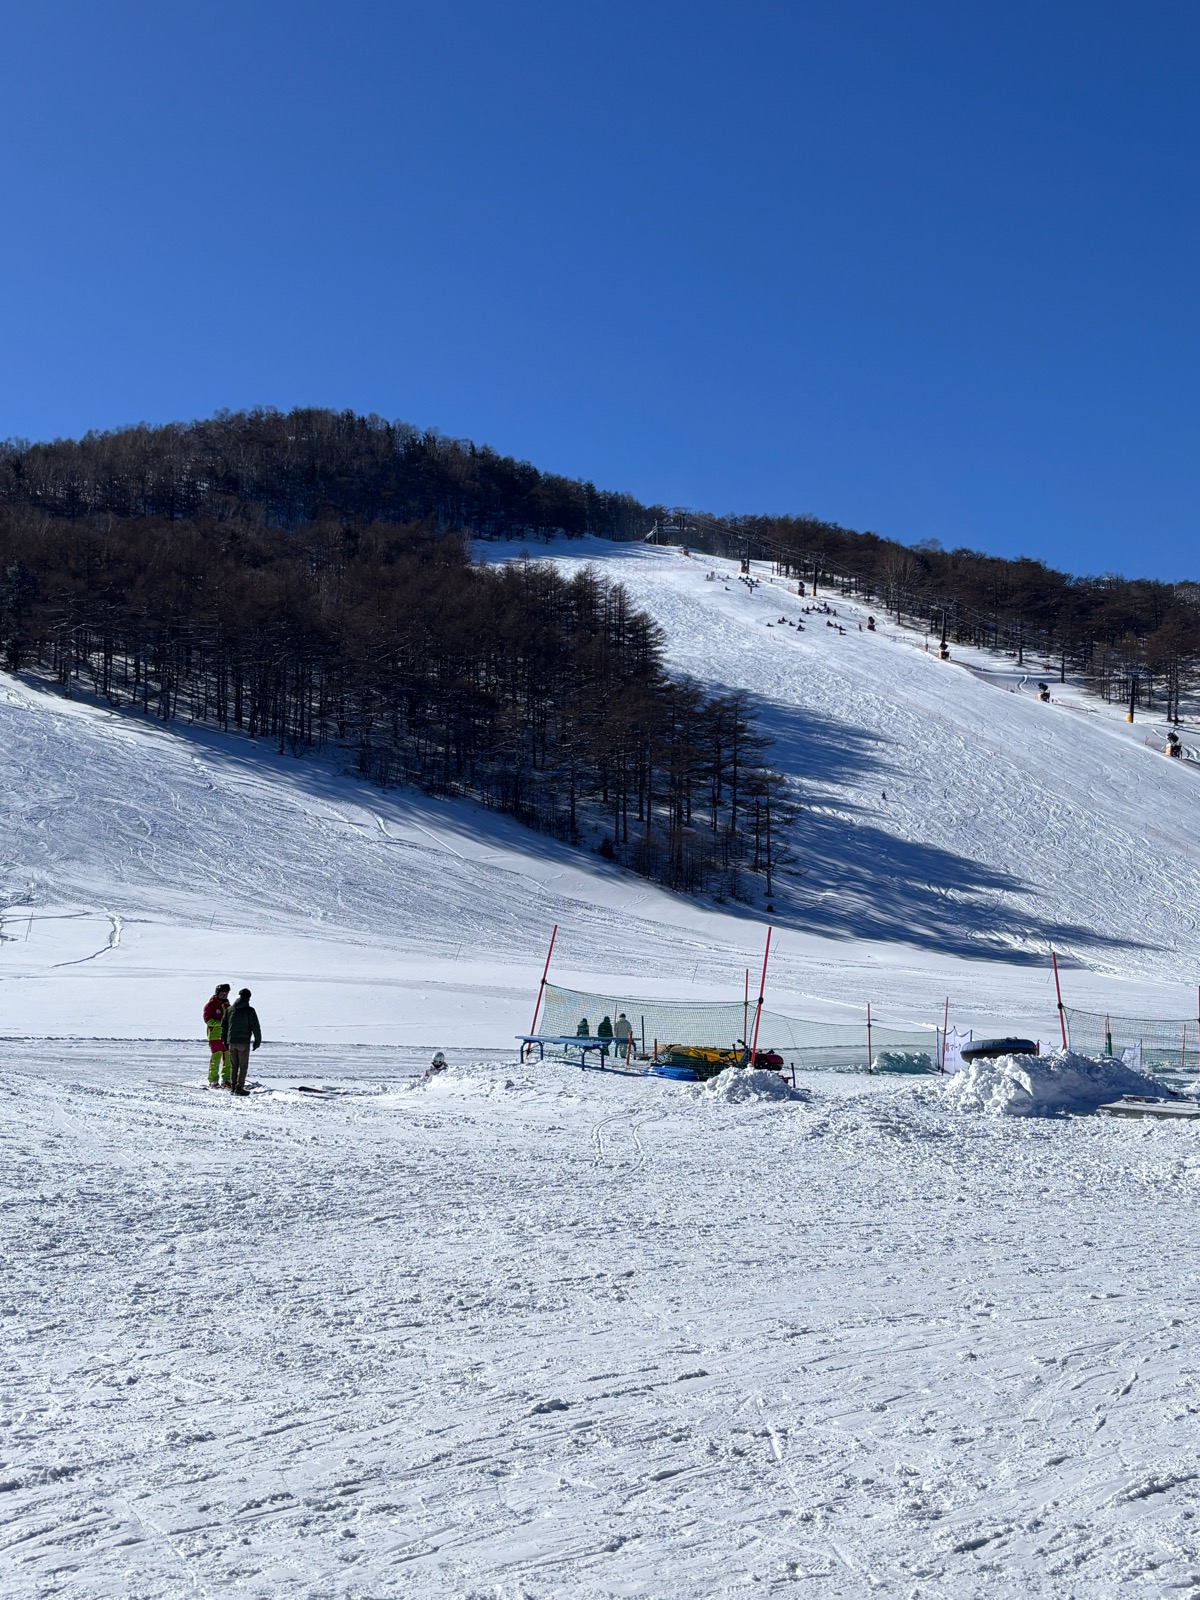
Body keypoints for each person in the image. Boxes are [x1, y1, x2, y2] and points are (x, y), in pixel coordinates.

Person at [222, 987, 262, 1096]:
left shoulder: (230, 1009)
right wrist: (257, 1041)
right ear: (248, 998)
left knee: (234, 1065)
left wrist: (224, 1040)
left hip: (231, 1041)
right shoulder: (249, 1010)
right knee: (243, 1066)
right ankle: (239, 1086)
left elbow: (224, 1026)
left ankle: (233, 1086)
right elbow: (255, 1026)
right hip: (243, 1042)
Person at [203, 983, 231, 1088]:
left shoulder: (227, 1005)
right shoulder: (210, 1005)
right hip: (214, 1036)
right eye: (222, 994)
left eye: (226, 994)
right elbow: (208, 1020)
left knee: (228, 1058)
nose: (224, 996)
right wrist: (222, 1022)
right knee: (216, 1058)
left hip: (226, 1036)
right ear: (217, 993)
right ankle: (213, 1080)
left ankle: (226, 1079)